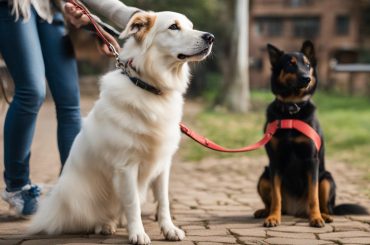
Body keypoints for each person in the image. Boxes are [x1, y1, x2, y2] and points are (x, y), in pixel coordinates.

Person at [0, 0, 139, 217]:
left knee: (70, 102)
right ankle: (18, 186)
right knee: (31, 92)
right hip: (13, 6)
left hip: (49, 8)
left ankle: (73, 186)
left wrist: (99, 27)